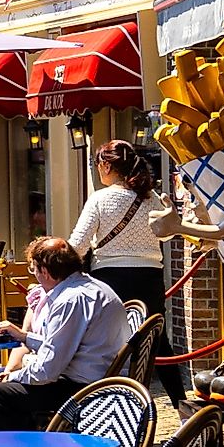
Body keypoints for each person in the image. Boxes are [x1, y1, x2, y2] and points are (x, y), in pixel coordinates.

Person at [0, 236, 129, 429]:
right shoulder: (90, 287)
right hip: (97, 376)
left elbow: (47, 371)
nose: (33, 274)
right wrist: (25, 337)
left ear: (45, 271)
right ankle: (30, 445)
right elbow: (63, 345)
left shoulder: (71, 300)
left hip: (86, 388)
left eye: (33, 269)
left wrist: (13, 376)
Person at [70, 138, 174, 389]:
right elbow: (167, 234)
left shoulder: (100, 199)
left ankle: (104, 395)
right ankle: (180, 404)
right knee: (158, 340)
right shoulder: (151, 199)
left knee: (109, 342)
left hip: (110, 278)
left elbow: (78, 245)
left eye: (97, 165)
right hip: (150, 277)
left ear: (106, 166)